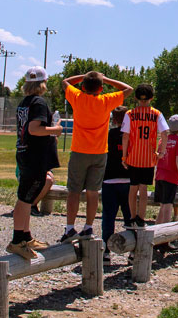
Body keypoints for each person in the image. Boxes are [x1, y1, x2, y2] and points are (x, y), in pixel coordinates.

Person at [60, 71, 133, 243]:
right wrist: (106, 78)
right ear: (100, 88)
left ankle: (70, 228)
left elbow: (64, 82)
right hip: (99, 152)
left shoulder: (77, 97)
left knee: (74, 191)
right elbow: (128, 89)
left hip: (79, 150)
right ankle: (88, 227)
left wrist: (84, 75)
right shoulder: (106, 101)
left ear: (83, 87)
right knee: (93, 192)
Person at [9, 67, 62, 259]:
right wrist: (55, 129)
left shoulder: (25, 102)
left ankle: (26, 236)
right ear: (43, 83)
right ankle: (17, 241)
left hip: (24, 153)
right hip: (34, 157)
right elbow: (34, 129)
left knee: (26, 197)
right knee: (25, 200)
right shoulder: (39, 102)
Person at [121, 84, 168, 227]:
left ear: (136, 98)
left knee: (132, 188)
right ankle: (141, 219)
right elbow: (165, 133)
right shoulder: (157, 114)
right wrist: (162, 152)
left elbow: (125, 136)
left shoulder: (130, 114)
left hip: (134, 157)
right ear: (151, 98)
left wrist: (124, 156)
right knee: (143, 189)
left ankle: (131, 218)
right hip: (148, 158)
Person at [101, 106, 131, 263]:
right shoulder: (132, 135)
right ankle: (133, 251)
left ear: (113, 119)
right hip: (128, 180)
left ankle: (105, 252)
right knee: (130, 218)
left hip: (109, 180)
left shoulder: (108, 135)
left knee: (108, 218)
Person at [156, 115, 178, 225]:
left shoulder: (162, 140)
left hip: (159, 175)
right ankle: (164, 234)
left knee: (162, 206)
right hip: (171, 177)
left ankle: (156, 231)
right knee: (168, 205)